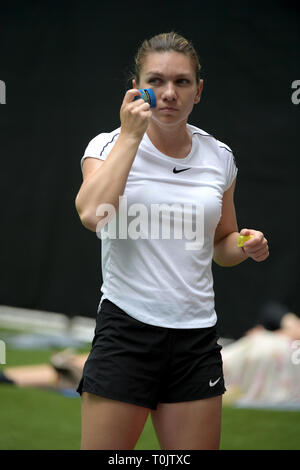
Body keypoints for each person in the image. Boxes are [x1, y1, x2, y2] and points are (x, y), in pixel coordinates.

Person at [74, 31, 269, 450]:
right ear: (136, 87)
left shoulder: (219, 157)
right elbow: (92, 215)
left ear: (198, 91)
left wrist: (245, 245)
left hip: (196, 339)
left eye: (181, 82)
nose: (168, 93)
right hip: (126, 330)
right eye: (156, 80)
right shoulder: (106, 145)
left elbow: (222, 245)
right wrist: (130, 136)